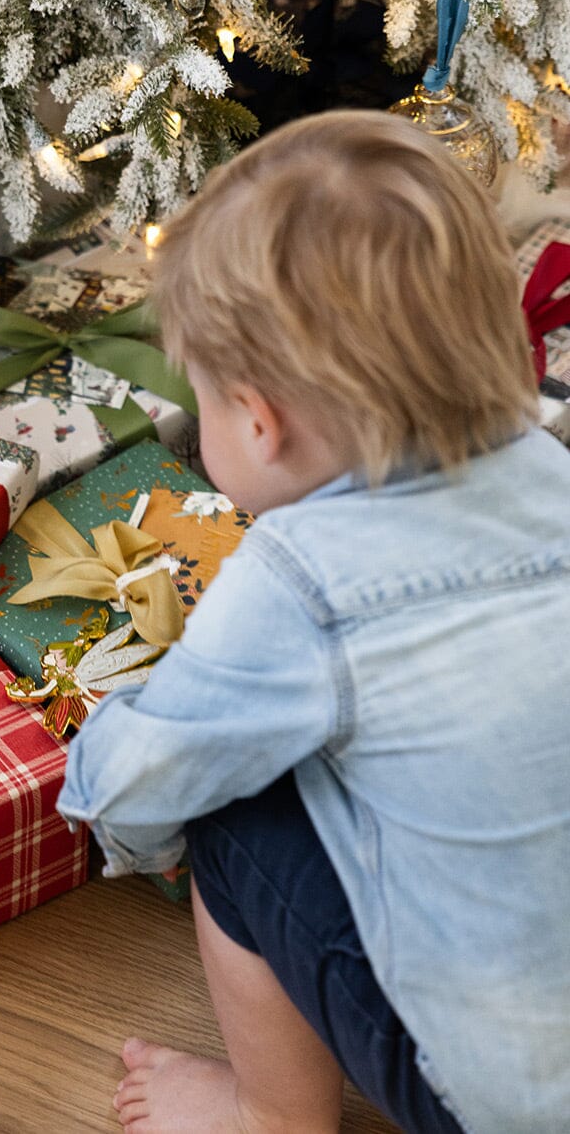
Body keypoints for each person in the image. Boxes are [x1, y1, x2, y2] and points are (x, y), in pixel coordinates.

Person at [57, 110, 570, 1134]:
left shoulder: (298, 579)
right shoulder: (550, 474)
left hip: (499, 1099)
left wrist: (118, 784)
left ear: (259, 421)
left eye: (198, 400)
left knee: (235, 819)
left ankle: (270, 1113)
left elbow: (136, 783)